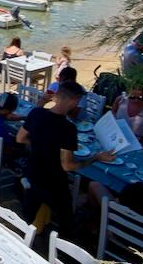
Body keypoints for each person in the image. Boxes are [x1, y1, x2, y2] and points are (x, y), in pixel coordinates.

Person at [16, 82, 116, 234]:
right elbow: (68, 166)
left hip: (33, 173)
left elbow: (20, 138)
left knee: (30, 215)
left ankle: (29, 231)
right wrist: (95, 158)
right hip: (53, 183)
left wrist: (40, 142)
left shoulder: (36, 113)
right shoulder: (68, 128)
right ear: (74, 100)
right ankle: (63, 241)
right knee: (66, 218)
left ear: (57, 96)